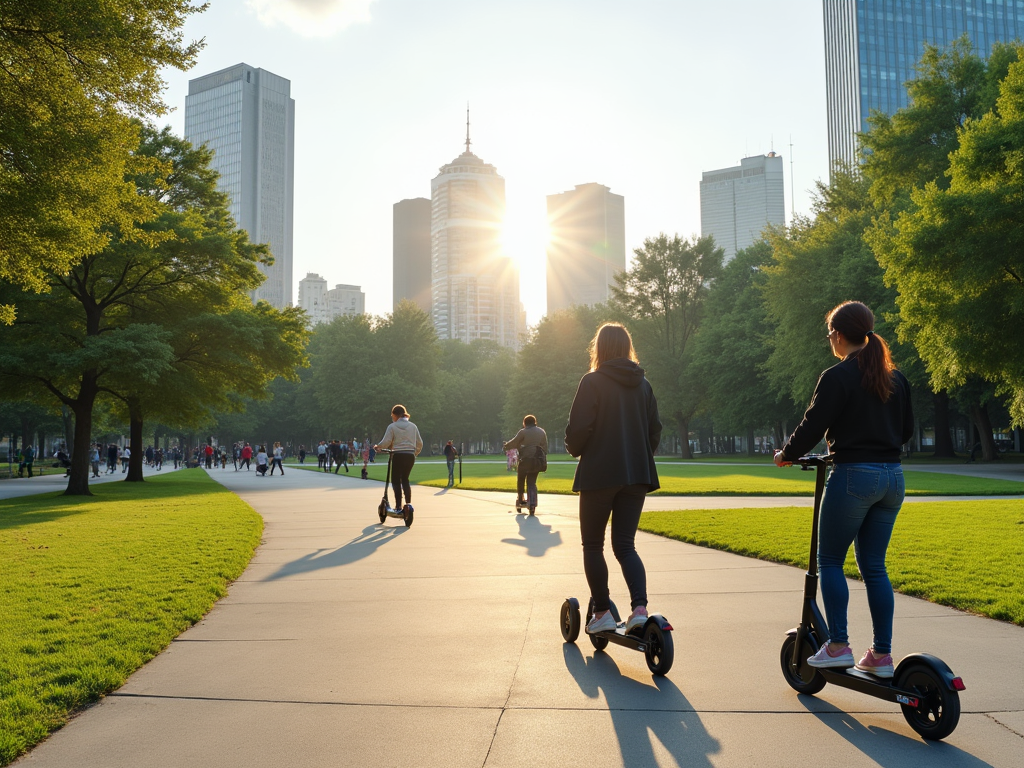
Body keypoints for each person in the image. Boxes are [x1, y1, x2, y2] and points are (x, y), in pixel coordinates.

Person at [774, 301, 913, 679]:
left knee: (830, 560)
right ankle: (881, 655)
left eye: (830, 333)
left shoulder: (836, 376)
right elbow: (906, 433)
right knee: (874, 566)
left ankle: (837, 645)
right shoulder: (896, 379)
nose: (829, 339)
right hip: (893, 478)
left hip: (854, 476)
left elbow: (812, 424)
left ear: (838, 334)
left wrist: (786, 454)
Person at [565, 322, 662, 636]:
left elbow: (578, 429)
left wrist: (574, 448)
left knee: (593, 545)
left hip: (600, 473)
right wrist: (639, 454)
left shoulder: (592, 381)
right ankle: (639, 608)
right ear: (627, 347)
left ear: (600, 348)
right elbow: (654, 431)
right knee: (625, 545)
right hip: (636, 474)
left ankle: (603, 611)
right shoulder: (643, 384)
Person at [374, 404, 423, 511]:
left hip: (398, 454)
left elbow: (386, 441)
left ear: (395, 415)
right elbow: (419, 443)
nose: (392, 418)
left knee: (396, 480)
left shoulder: (392, 426)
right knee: (405, 479)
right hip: (410, 455)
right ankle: (408, 503)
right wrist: (415, 453)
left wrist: (378, 447)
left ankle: (398, 505)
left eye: (392, 416)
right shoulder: (413, 426)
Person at [503, 416, 548, 514]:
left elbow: (514, 442)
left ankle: (520, 498)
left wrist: (506, 446)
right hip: (537, 460)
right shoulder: (542, 432)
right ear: (535, 422)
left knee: (521, 480)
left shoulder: (523, 432)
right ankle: (532, 502)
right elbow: (545, 447)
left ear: (525, 423)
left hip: (525, 460)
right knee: (532, 482)